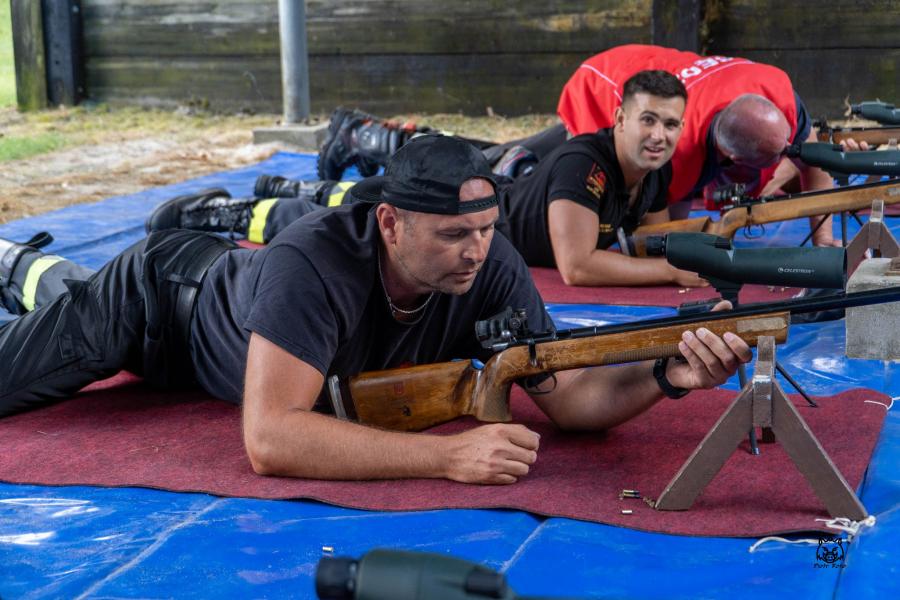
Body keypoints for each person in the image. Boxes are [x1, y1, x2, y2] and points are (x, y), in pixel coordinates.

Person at [0, 135, 750, 484]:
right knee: (31, 350)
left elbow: (572, 399)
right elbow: (269, 440)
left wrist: (666, 373)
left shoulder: (492, 264)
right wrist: (446, 456)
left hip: (227, 332)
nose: (476, 252)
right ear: (389, 224)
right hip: (156, 303)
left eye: (486, 232)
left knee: (53, 290)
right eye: (454, 235)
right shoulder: (314, 259)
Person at [149, 71, 706, 288]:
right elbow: (578, 266)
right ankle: (219, 216)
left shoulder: (653, 172)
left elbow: (651, 239)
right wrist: (675, 271)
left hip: (486, 201)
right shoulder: (584, 165)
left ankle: (287, 189)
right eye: (648, 120)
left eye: (671, 124)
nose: (658, 135)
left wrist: (711, 239)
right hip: (462, 213)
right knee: (347, 220)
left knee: (350, 198)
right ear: (620, 121)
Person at [319, 45, 846, 245]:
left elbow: (808, 145)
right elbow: (659, 229)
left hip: (647, 84)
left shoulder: (776, 92)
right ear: (723, 154)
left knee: (517, 161)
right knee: (513, 169)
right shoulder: (673, 154)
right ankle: (370, 138)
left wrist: (823, 239)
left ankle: (372, 137)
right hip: (605, 85)